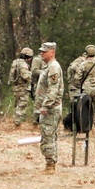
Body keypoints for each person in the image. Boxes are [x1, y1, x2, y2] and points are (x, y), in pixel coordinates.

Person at [34, 41, 64, 173]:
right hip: (48, 107)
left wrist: (45, 106)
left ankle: (50, 165)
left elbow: (53, 90)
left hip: (50, 108)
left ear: (52, 52)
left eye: (44, 52)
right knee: (48, 135)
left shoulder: (53, 67)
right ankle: (50, 163)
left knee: (48, 136)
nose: (41, 54)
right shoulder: (48, 67)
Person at [10, 47, 34, 126]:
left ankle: (16, 121)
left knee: (17, 105)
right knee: (22, 105)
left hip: (16, 87)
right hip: (23, 88)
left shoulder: (15, 62)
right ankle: (16, 123)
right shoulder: (23, 65)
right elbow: (25, 76)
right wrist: (31, 76)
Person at [30, 50, 45, 125]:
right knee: (38, 104)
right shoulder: (37, 59)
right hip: (38, 85)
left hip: (47, 86)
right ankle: (35, 122)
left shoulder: (50, 61)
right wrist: (44, 72)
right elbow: (34, 71)